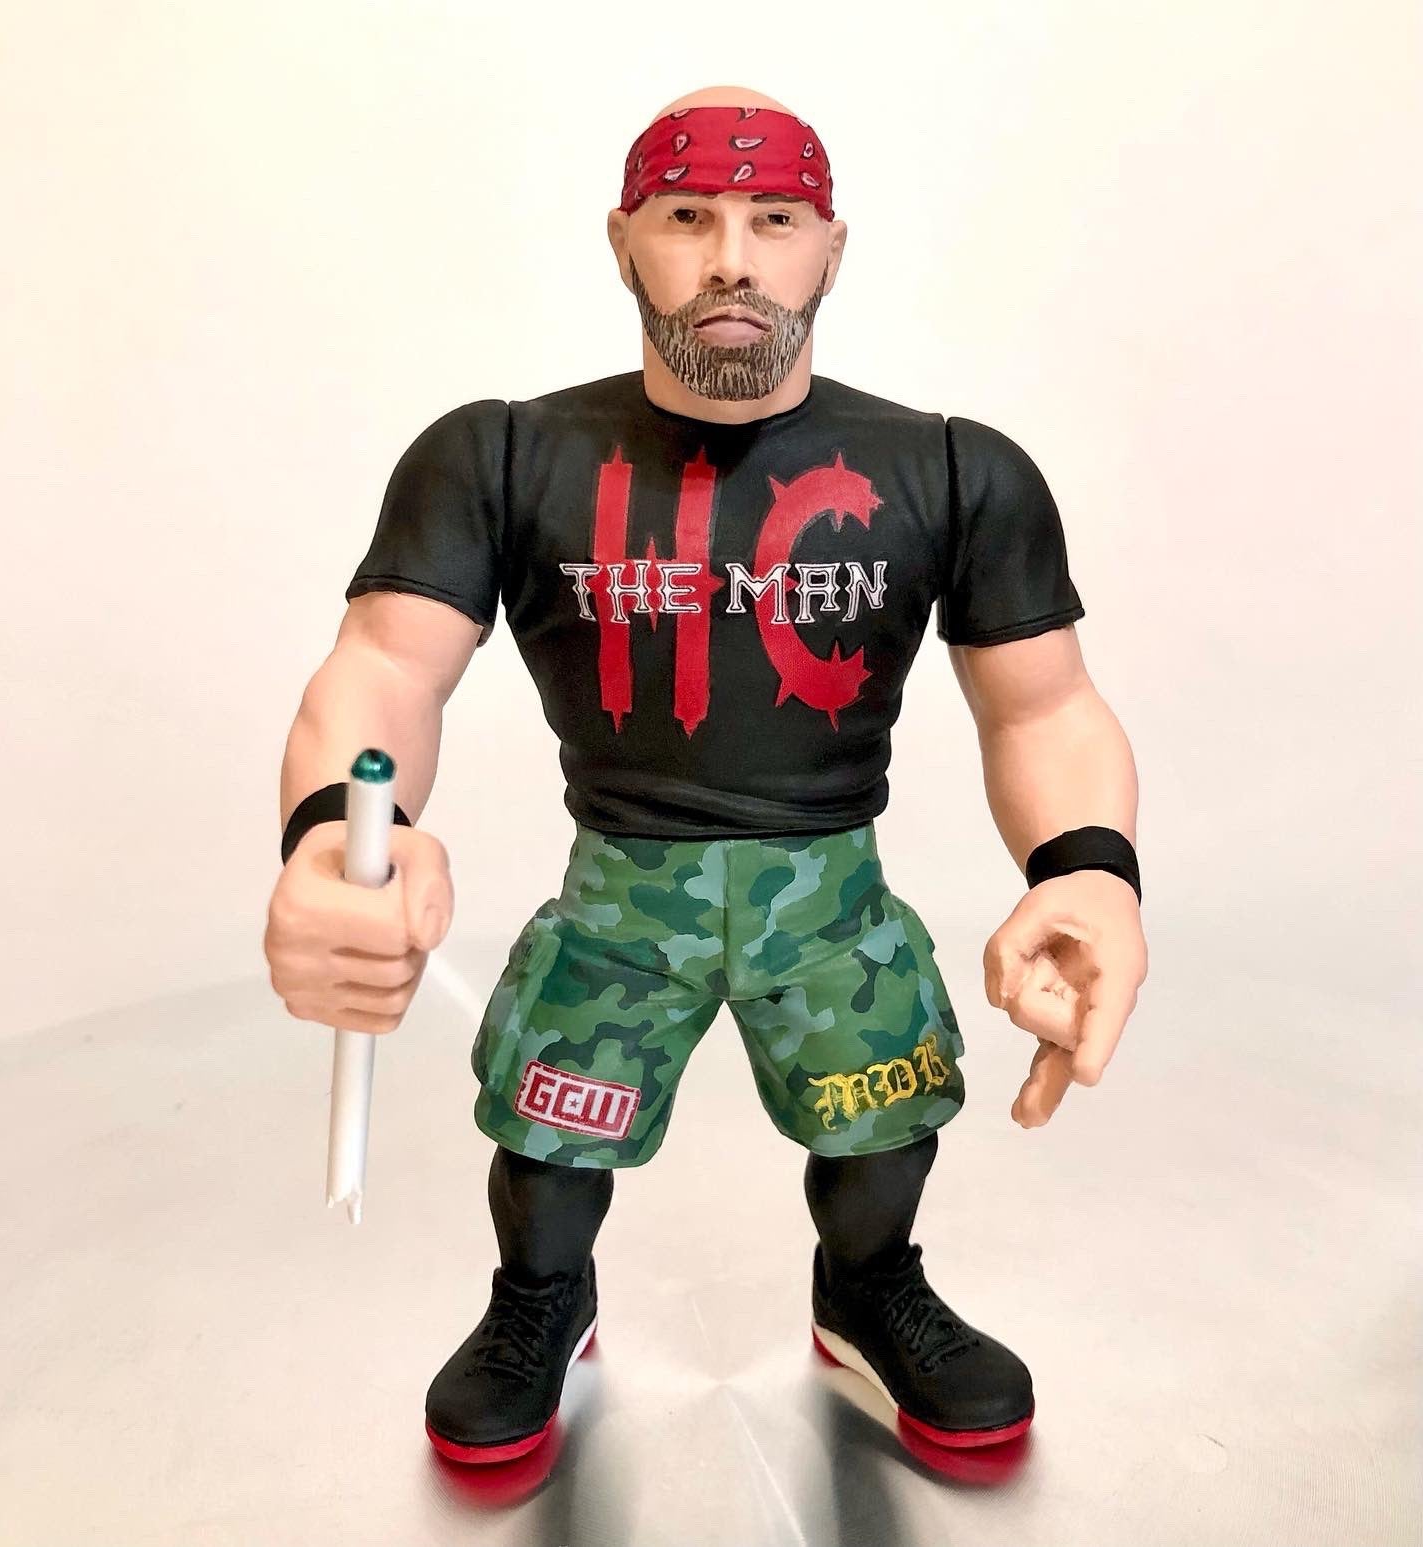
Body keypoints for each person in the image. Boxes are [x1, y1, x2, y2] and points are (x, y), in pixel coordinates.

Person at [264, 83, 1148, 1465]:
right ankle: (540, 1302)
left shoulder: (954, 470)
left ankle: (870, 1289)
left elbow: (1044, 709)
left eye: (775, 219)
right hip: (622, 898)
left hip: (832, 899)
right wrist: (335, 832)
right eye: (688, 217)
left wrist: (1090, 870)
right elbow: (384, 667)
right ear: (623, 240)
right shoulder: (502, 455)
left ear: (831, 247)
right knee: (549, 1142)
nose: (733, 257)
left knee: (885, 1123)